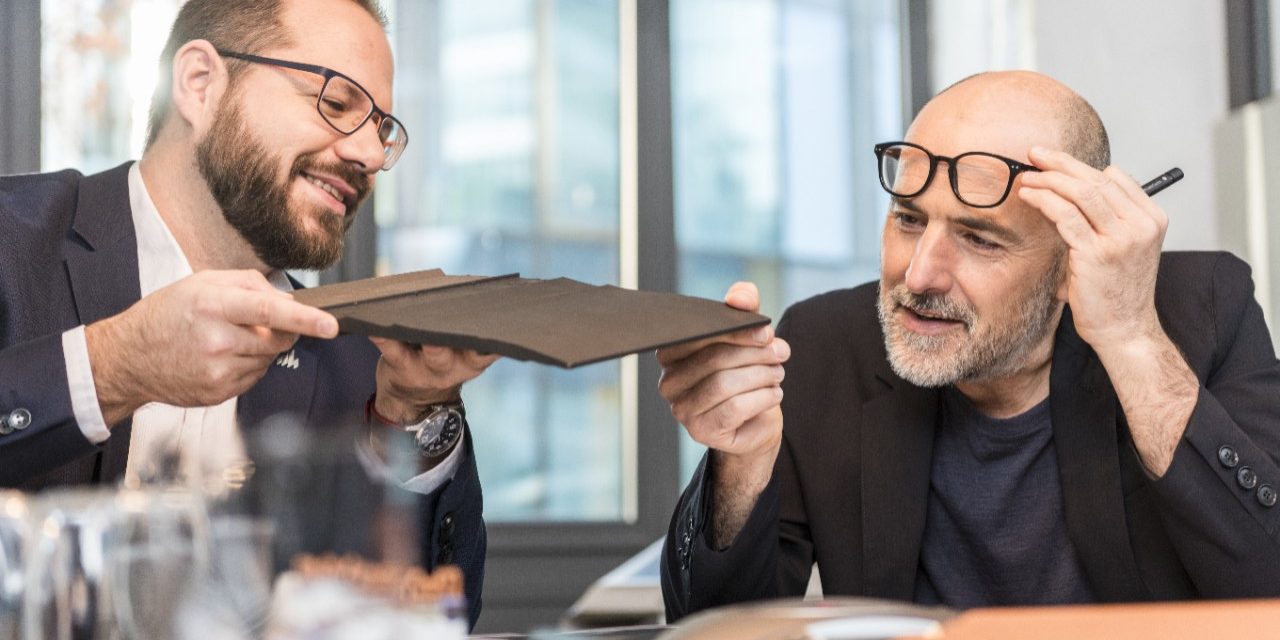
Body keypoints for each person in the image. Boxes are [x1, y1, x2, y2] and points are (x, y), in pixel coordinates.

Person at [657, 70, 1280, 620]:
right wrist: (740, 466)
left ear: (1073, 261)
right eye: (907, 218)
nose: (919, 275)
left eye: (980, 238)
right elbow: (716, 624)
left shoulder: (1201, 308)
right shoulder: (825, 344)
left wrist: (1133, 340)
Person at [0, 0, 495, 627]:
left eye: (382, 129)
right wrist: (112, 365)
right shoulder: (11, 247)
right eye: (337, 104)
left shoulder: (361, 364)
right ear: (201, 84)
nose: (370, 154)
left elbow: (435, 614)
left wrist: (411, 420)